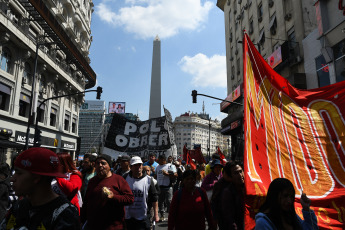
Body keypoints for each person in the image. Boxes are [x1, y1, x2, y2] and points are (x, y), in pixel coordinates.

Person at [1, 147, 80, 229]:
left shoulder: (65, 214)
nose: (12, 179)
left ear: (37, 177)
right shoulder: (18, 207)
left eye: (19, 173)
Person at [82, 154, 134, 230]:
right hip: (93, 226)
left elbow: (130, 199)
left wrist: (113, 197)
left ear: (109, 166)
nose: (100, 165)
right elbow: (86, 201)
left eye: (103, 163)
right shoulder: (92, 181)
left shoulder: (119, 180)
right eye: (97, 163)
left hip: (113, 226)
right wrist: (82, 219)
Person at [125, 156, 159, 229]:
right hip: (128, 217)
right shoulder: (125, 178)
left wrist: (156, 214)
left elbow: (154, 198)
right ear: (131, 167)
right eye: (135, 165)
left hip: (143, 217)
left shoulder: (149, 180)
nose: (138, 167)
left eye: (139, 165)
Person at [211, 162, 245, 230]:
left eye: (241, 171)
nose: (240, 175)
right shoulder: (227, 192)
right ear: (230, 176)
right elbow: (229, 217)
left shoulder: (245, 187)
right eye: (236, 173)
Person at [155, 154, 177, 221]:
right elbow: (156, 176)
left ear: (165, 160)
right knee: (160, 202)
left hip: (168, 187)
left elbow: (176, 175)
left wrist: (167, 174)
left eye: (162, 160)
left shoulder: (170, 166)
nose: (161, 161)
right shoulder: (157, 167)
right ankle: (162, 215)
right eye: (159, 159)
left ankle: (171, 215)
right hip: (160, 188)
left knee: (169, 202)